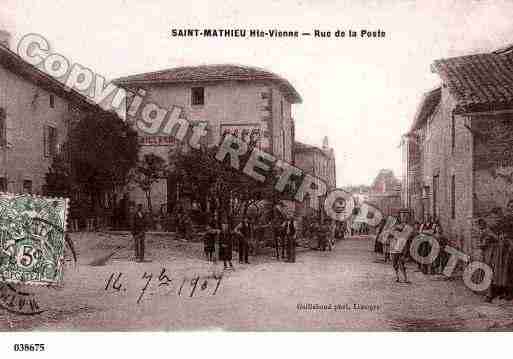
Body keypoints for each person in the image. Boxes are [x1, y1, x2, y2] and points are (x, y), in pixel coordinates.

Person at [478, 218, 509, 302]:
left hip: (491, 255)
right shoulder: (486, 232)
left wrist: (482, 245)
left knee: (490, 273)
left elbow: (488, 242)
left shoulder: (488, 232)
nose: (480, 226)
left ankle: (490, 295)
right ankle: (489, 294)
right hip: (488, 254)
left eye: (481, 224)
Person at [388, 218, 411, 283]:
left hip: (399, 252)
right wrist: (390, 252)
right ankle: (397, 277)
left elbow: (405, 246)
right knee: (395, 265)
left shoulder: (402, 238)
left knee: (402, 265)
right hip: (393, 252)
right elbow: (390, 244)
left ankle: (405, 278)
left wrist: (404, 254)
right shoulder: (393, 237)